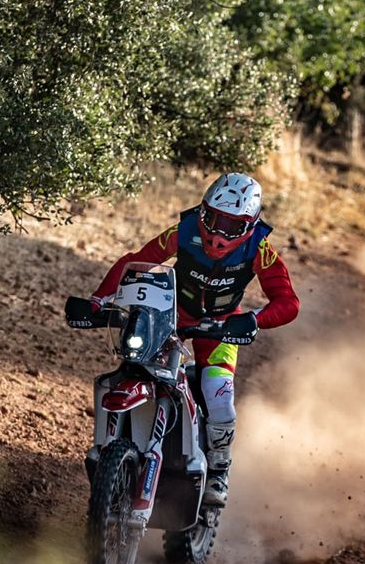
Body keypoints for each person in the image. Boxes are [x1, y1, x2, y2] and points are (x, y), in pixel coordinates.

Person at [89, 173, 300, 506]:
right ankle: (110, 449)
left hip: (221, 329)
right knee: (127, 368)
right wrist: (99, 299)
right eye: (213, 219)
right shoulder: (183, 231)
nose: (218, 233)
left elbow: (288, 302)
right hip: (171, 317)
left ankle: (218, 470)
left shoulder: (259, 247)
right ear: (202, 210)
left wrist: (254, 319)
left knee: (219, 398)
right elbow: (136, 261)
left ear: (248, 226)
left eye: (231, 226)